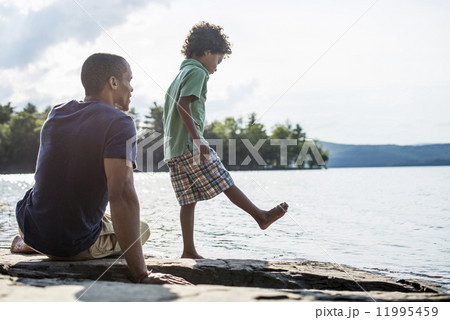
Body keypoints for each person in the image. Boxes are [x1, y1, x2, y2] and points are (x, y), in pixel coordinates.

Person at [11, 53, 190, 285]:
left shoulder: (57, 112)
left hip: (29, 224)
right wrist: (142, 274)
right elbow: (123, 194)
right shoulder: (119, 122)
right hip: (69, 247)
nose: (132, 88)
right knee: (142, 228)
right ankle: (43, 245)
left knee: (86, 213)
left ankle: (29, 242)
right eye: (129, 79)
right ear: (113, 83)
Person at [163, 22, 289, 259]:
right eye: (218, 61)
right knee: (225, 180)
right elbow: (183, 105)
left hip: (173, 150)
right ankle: (260, 217)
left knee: (187, 200)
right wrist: (198, 140)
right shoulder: (197, 72)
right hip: (190, 145)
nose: (217, 68)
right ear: (208, 51)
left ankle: (188, 251)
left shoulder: (179, 74)